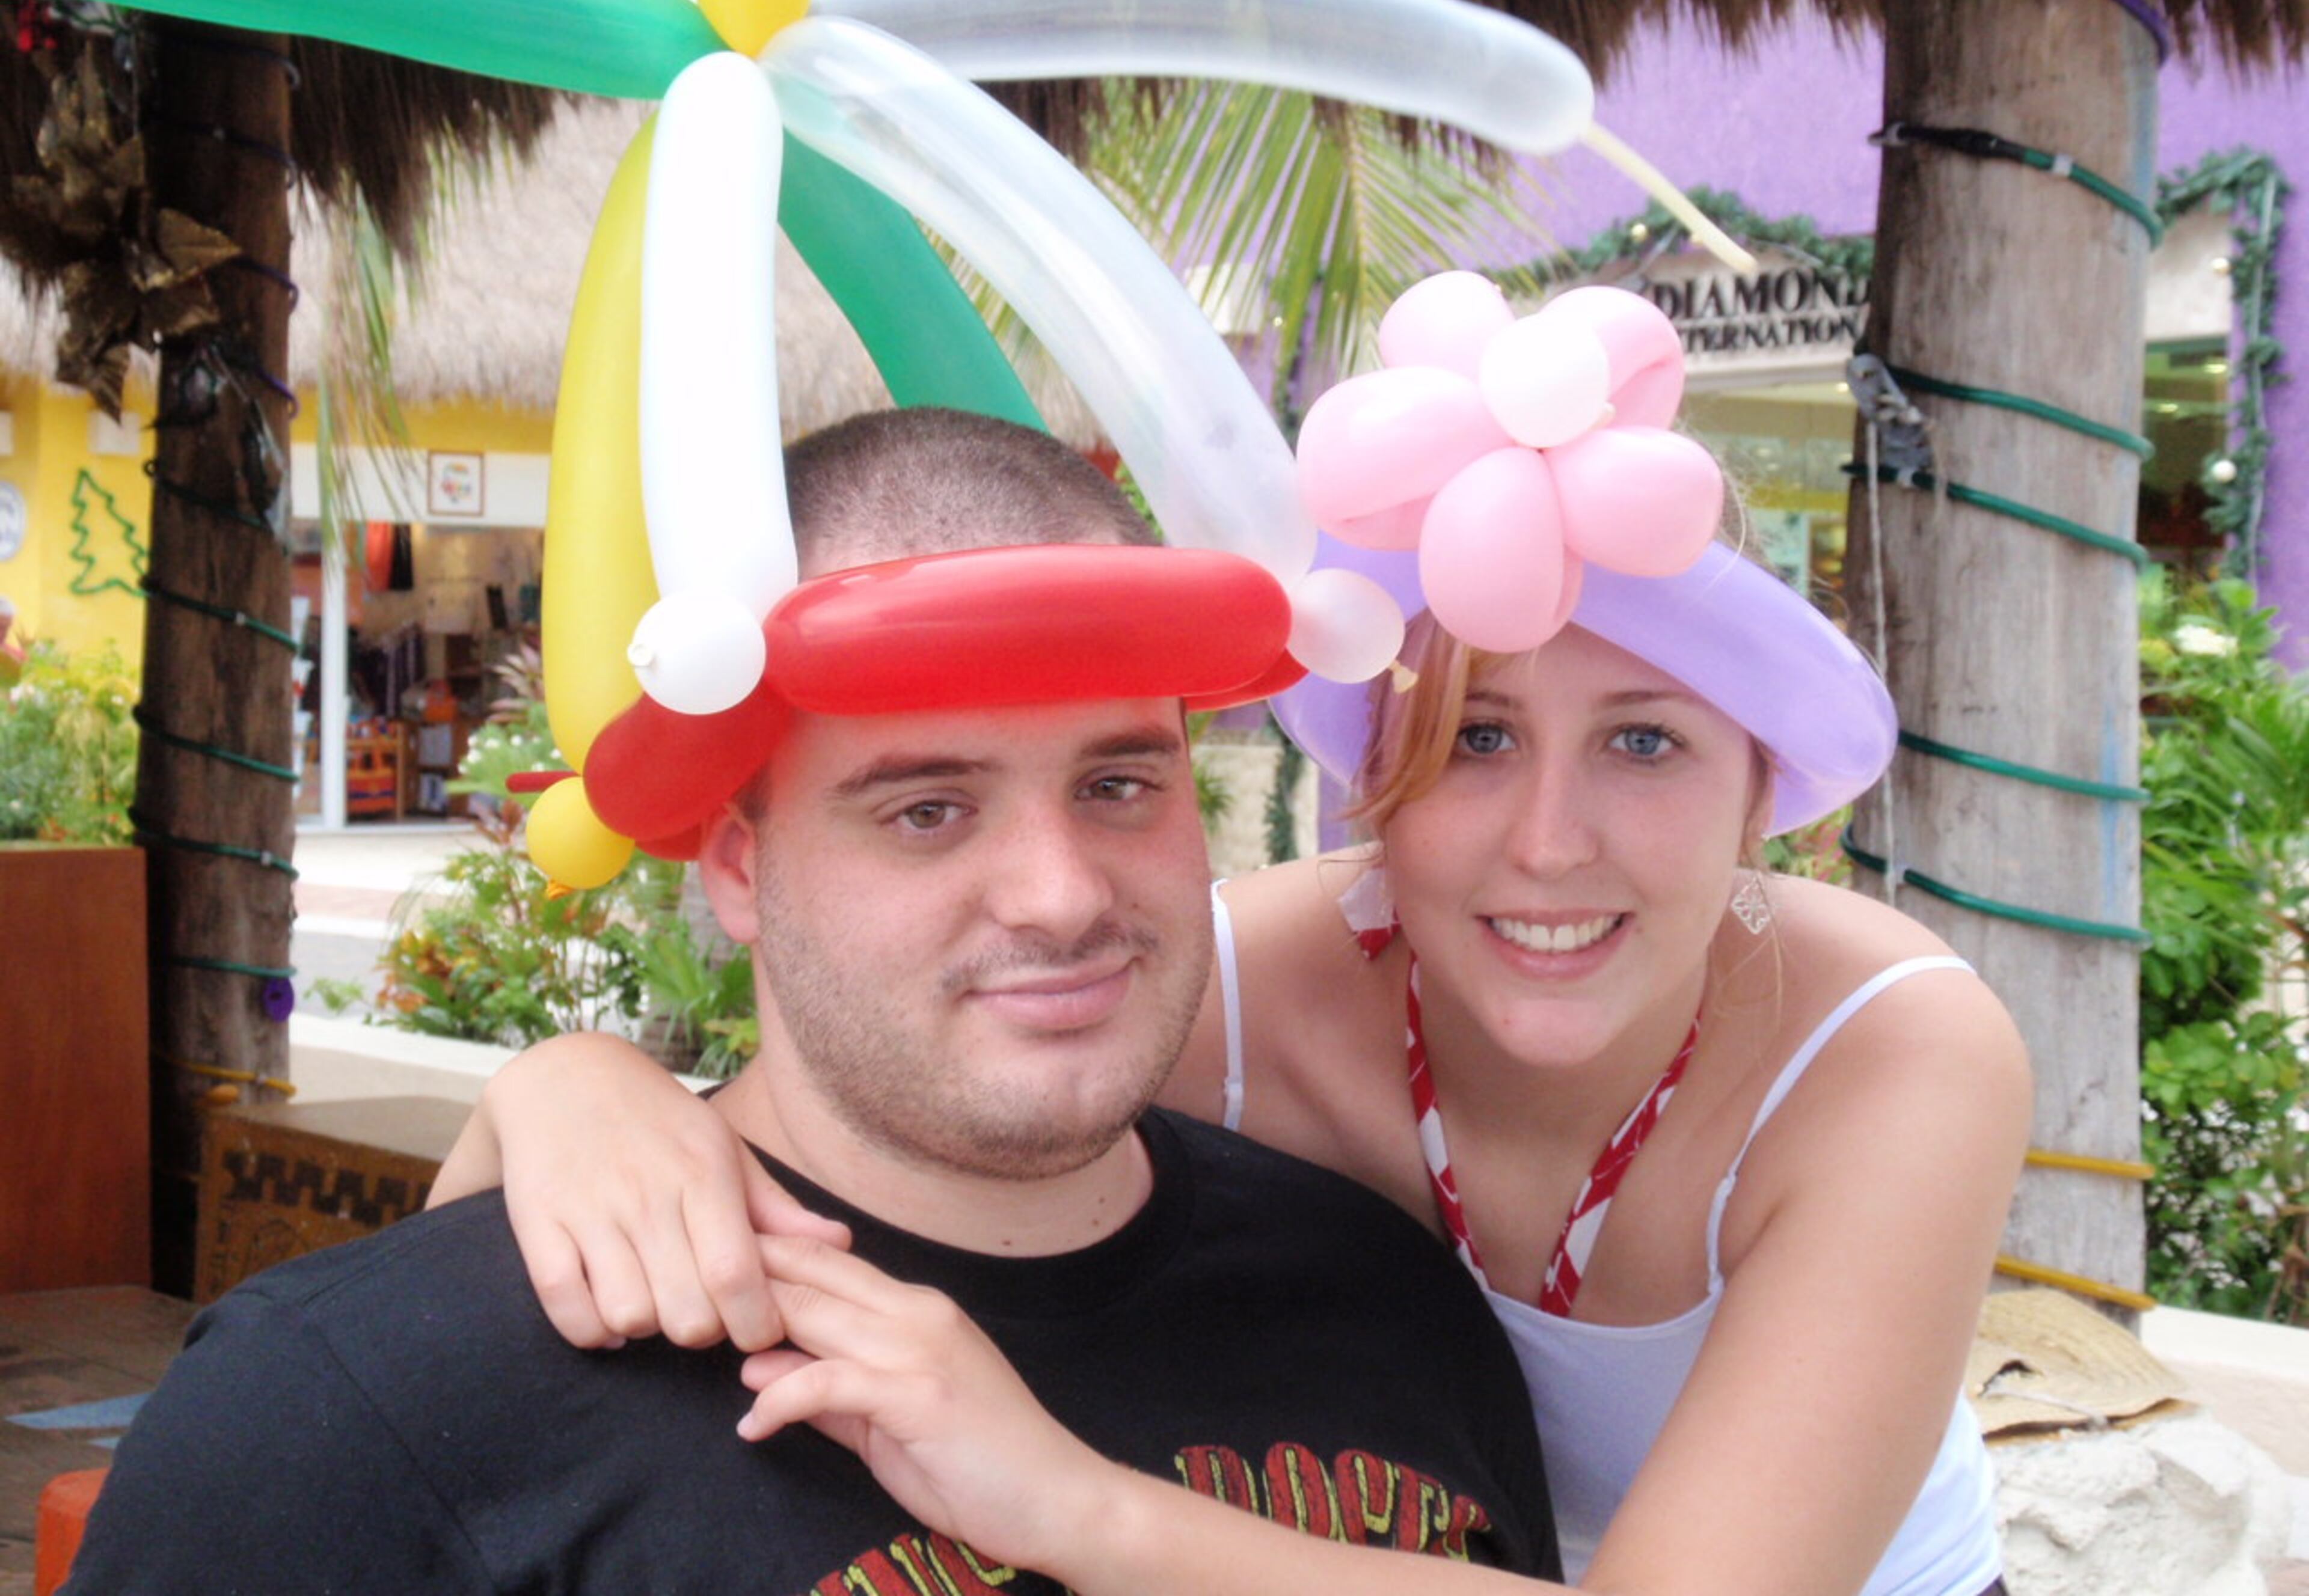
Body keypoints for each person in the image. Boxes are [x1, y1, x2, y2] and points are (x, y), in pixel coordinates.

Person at [438, 343, 2031, 1595]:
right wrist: (568, 1091)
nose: (1552, 842)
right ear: (1374, 779)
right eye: (1476, 738)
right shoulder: (1213, 982)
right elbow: (863, 1083)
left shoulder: (1889, 1058)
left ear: (1761, 791)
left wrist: (1066, 1508)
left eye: (1645, 742)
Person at [62, 409, 1560, 1595]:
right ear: (736, 862)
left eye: (1119, 783)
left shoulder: (1386, 1297)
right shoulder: (360, 1408)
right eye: (926, 810)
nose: (1060, 893)